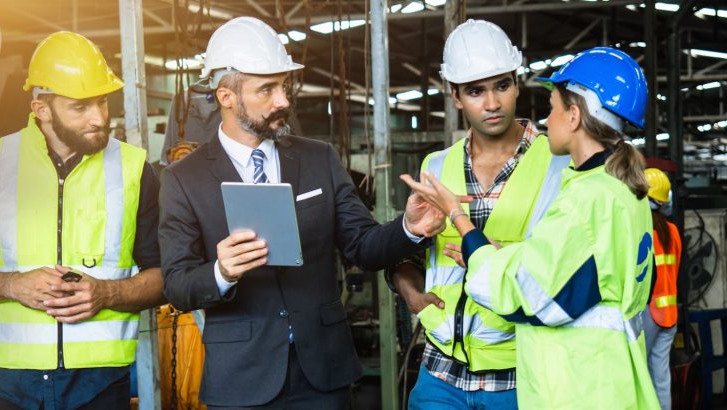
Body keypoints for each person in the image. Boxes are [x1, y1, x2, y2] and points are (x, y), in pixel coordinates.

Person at [159, 16, 446, 408]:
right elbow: (177, 284)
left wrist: (408, 228)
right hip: (241, 378)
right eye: (267, 89)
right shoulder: (183, 179)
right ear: (226, 96)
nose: (283, 101)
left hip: (323, 374)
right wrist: (221, 272)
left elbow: (362, 245)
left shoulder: (318, 159)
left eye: (284, 86)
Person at [401, 47, 660, 408]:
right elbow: (572, 267)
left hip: (579, 385)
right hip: (603, 377)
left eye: (552, 108)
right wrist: (507, 253)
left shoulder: (585, 197)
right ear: (457, 96)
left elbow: (520, 291)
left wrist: (458, 218)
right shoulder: (622, 190)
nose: (546, 120)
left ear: (573, 116)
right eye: (476, 91)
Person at [0, 32, 165, 410]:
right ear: (41, 109)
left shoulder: (134, 169)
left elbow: (165, 277)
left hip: (101, 384)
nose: (99, 118)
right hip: (10, 385)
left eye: (102, 102)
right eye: (80, 107)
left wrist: (107, 294)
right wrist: (12, 285)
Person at [390, 19, 570, 410]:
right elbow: (415, 254)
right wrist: (407, 286)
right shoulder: (435, 166)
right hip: (440, 373)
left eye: (502, 86)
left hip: (519, 371)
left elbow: (568, 267)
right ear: (455, 96)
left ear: (517, 83)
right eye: (475, 91)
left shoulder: (559, 165)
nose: (492, 103)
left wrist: (501, 256)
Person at [643, 167, 681, 410]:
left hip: (649, 312)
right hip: (670, 314)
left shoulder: (643, 231)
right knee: (661, 378)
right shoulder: (673, 232)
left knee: (640, 374)